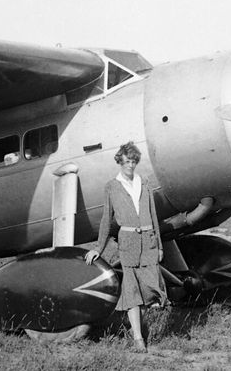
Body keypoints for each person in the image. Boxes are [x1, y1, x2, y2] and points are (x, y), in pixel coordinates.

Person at [85, 141, 166, 352]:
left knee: (152, 288)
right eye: (127, 161)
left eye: (133, 161)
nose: (130, 165)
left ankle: (140, 324)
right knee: (131, 291)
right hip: (128, 243)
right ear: (120, 162)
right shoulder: (111, 186)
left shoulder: (144, 182)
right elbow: (106, 220)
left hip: (148, 241)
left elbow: (154, 215)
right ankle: (138, 337)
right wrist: (98, 249)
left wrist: (158, 244)